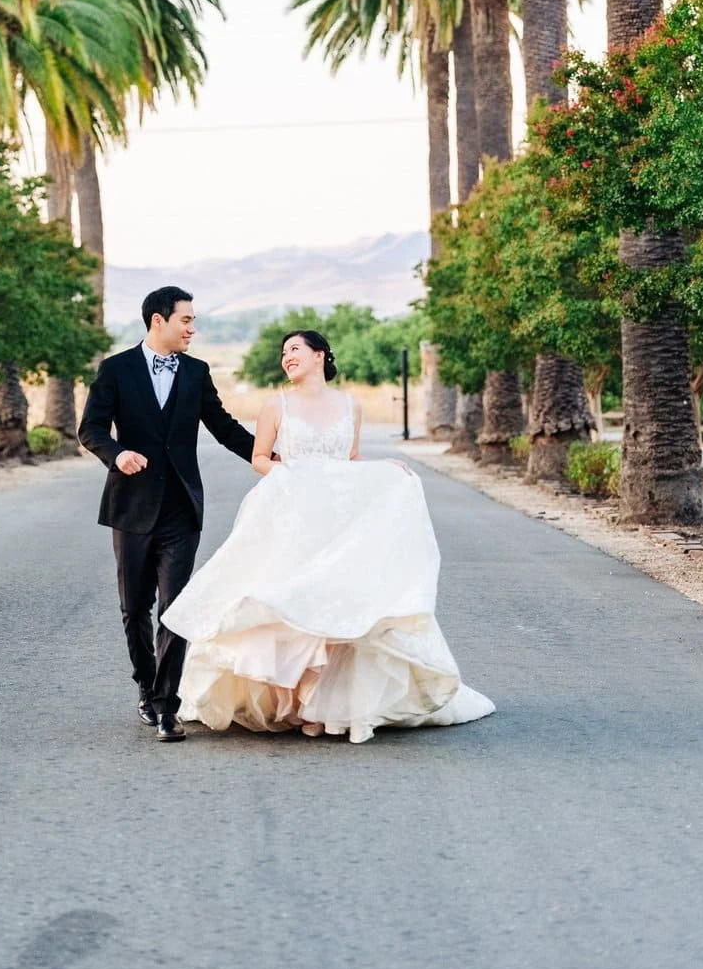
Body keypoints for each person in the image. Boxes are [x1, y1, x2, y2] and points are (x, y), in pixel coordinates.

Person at [164, 327, 494, 744]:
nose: (287, 357)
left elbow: (350, 461)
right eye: (283, 353)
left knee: (337, 605)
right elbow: (260, 459)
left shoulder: (350, 405)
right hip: (292, 514)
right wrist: (294, 476)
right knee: (289, 603)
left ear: (320, 355)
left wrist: (384, 471)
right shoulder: (276, 404)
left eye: (295, 349)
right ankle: (296, 702)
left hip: (338, 519)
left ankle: (327, 704)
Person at [78, 285, 256, 742]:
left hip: (181, 507)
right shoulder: (115, 370)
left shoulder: (196, 372)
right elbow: (91, 428)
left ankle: (166, 707)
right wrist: (116, 454)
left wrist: (272, 457)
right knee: (134, 608)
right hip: (131, 507)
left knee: (176, 610)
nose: (192, 328)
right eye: (186, 320)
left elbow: (223, 427)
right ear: (159, 321)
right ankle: (146, 685)